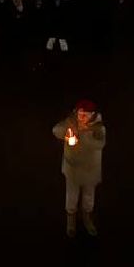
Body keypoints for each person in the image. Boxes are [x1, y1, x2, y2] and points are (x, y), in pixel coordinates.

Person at [52, 99, 106, 238]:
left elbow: (99, 144)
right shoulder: (71, 123)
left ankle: (87, 218)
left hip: (89, 169)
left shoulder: (98, 128)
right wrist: (66, 135)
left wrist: (83, 137)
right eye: (79, 114)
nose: (81, 117)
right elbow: (56, 130)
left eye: (85, 115)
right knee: (72, 195)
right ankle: (71, 221)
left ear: (92, 115)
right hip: (73, 169)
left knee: (88, 196)